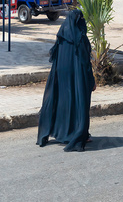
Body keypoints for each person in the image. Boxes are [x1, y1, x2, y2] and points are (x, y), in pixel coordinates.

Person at [37, 9, 96, 152]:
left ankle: (62, 133)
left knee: (63, 103)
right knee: (79, 104)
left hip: (61, 76)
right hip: (77, 77)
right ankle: (78, 133)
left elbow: (54, 57)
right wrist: (91, 79)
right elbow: (85, 62)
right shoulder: (80, 38)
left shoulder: (62, 37)